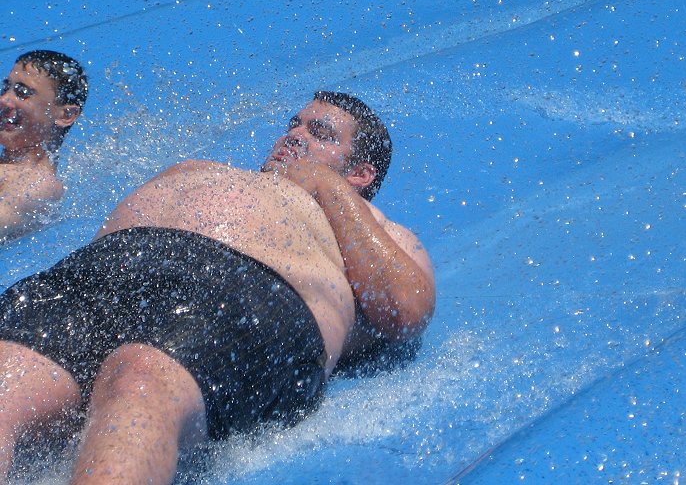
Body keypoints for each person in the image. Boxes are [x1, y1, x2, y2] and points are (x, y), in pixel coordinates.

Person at [0, 91, 435, 484]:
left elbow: (407, 308)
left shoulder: (375, 228)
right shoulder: (204, 169)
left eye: (318, 133)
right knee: (8, 381)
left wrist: (326, 186)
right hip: (101, 273)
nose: (294, 135)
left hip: (237, 292)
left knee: (139, 381)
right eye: (294, 124)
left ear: (360, 173)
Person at [0, 50, 89, 243]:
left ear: (66, 115)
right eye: (5, 88)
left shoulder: (37, 186)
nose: (4, 100)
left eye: (23, 93)